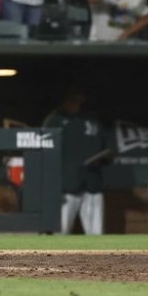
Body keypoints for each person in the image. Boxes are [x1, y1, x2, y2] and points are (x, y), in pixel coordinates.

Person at [43, 89, 106, 235]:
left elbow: (104, 148)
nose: (78, 102)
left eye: (80, 99)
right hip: (66, 187)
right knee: (61, 234)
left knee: (97, 237)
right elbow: (46, 156)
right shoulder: (54, 121)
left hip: (92, 183)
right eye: (74, 99)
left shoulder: (92, 120)